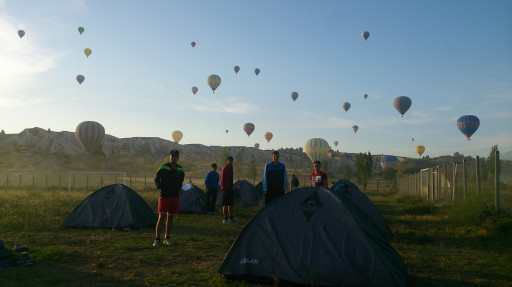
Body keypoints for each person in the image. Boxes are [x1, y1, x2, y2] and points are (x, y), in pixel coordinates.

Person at [153, 149, 185, 246]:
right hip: (164, 196)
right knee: (161, 217)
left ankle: (167, 238)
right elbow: (156, 179)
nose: (174, 157)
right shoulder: (163, 167)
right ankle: (157, 239)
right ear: (169, 156)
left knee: (170, 218)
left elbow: (181, 180)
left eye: (175, 156)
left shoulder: (181, 169)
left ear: (178, 157)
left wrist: (178, 188)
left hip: (175, 197)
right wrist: (160, 187)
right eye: (172, 156)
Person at [219, 156, 237, 223]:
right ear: (227, 161)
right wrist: (223, 189)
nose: (230, 162)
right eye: (229, 161)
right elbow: (221, 179)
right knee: (225, 204)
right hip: (225, 189)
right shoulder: (224, 168)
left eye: (231, 161)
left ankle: (231, 218)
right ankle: (225, 218)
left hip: (230, 188)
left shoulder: (231, 168)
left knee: (230, 204)